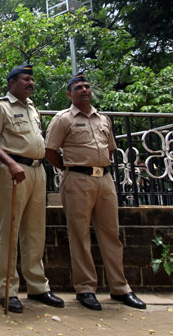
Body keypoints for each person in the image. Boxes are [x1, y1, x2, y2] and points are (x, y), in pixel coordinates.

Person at [45, 72, 146, 311]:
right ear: (69, 94)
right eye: (78, 87)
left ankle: (120, 288)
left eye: (87, 86)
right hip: (77, 180)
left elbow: (110, 149)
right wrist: (71, 168)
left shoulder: (104, 119)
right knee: (80, 236)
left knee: (111, 234)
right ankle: (85, 289)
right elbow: (50, 151)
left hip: (105, 179)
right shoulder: (63, 119)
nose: (84, 90)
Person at [0, 64, 63, 313]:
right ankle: (7, 290)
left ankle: (38, 287)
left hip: (38, 172)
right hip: (12, 172)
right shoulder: (0, 106)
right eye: (25, 79)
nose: (30, 83)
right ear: (11, 82)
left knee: (36, 231)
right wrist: (10, 163)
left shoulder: (32, 107)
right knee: (10, 230)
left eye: (32, 80)